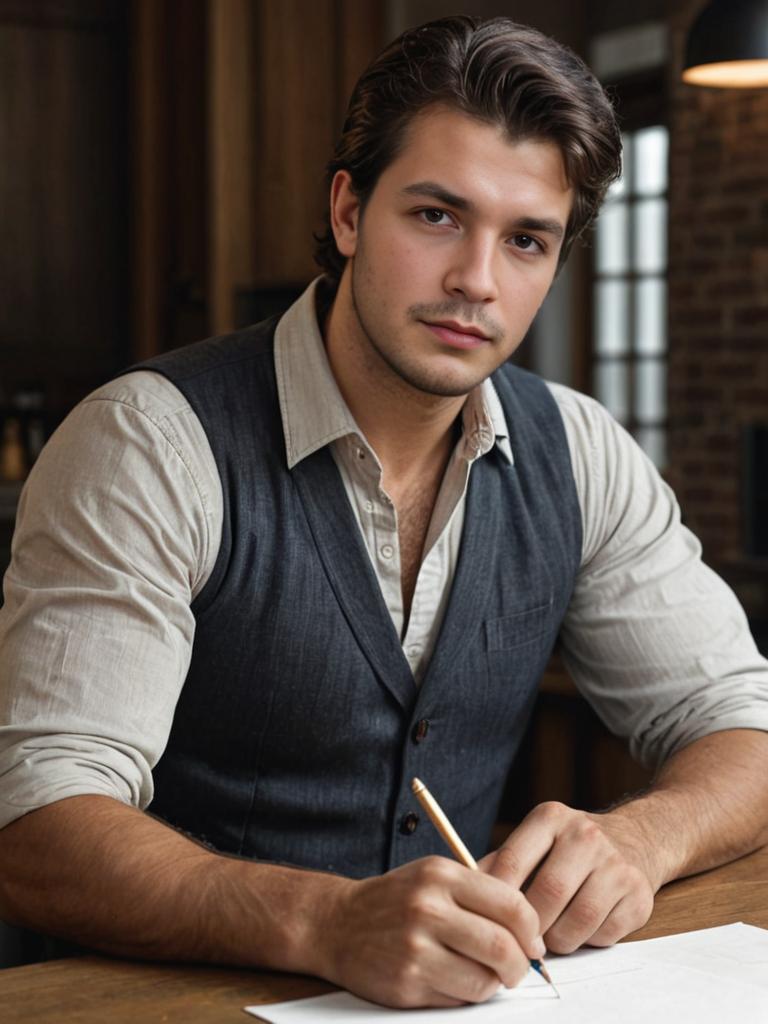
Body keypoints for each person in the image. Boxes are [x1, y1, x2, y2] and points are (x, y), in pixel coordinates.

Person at [1, 14, 767, 1010]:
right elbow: (36, 819)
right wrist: (320, 919)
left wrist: (639, 837)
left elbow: (744, 726)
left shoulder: (579, 452)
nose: (477, 282)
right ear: (350, 210)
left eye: (525, 240)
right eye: (437, 216)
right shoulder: (149, 442)